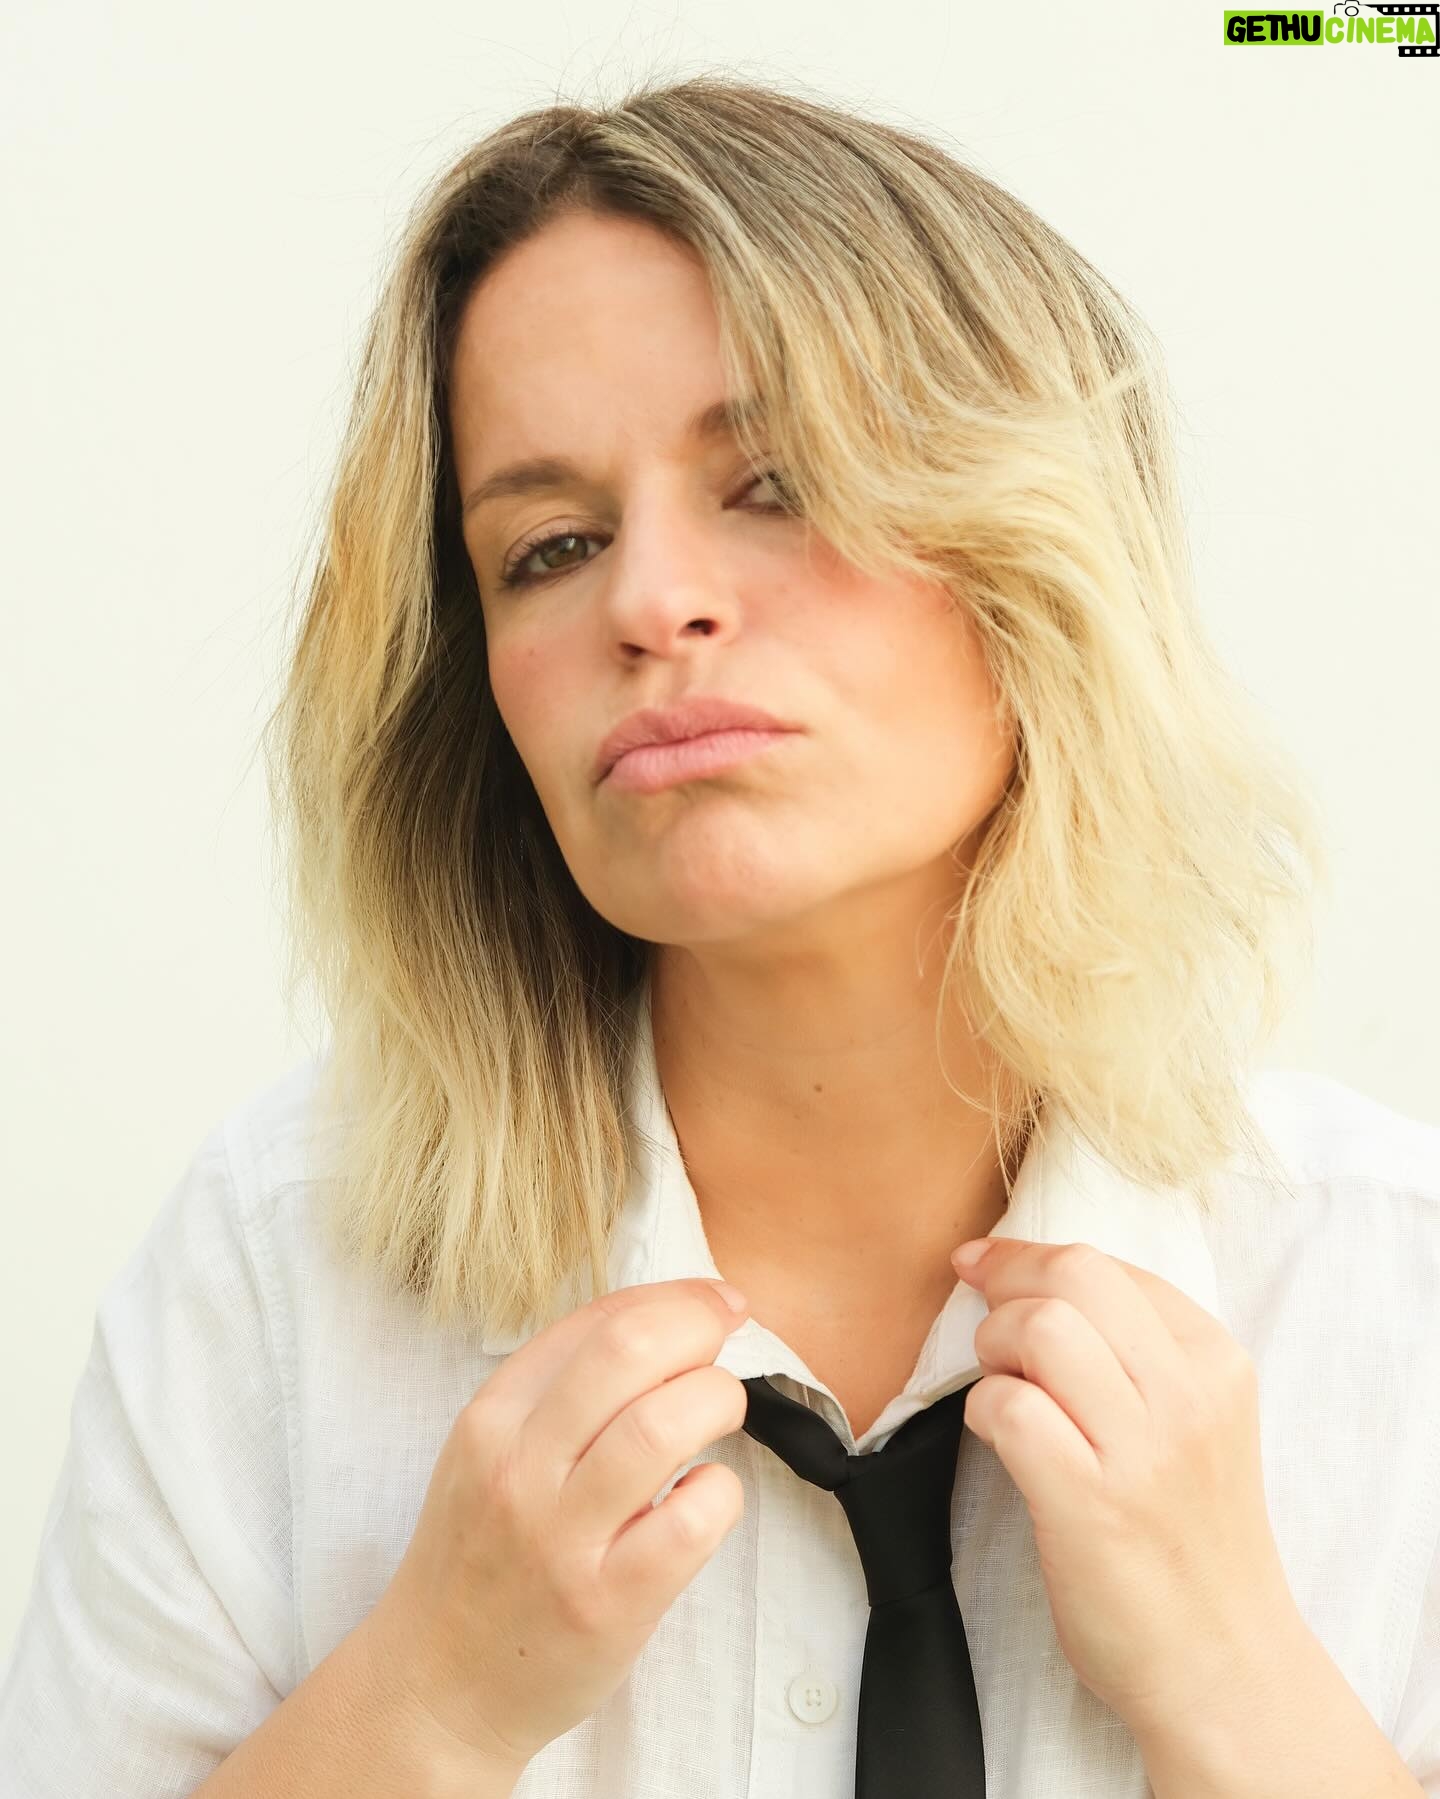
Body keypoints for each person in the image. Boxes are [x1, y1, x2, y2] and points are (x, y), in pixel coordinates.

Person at [2, 69, 1438, 1799]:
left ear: (1031, 547)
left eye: (774, 483)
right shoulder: (274, 1278)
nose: (648, 601)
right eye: (549, 547)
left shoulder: (1389, 1295)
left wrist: (1238, 1691)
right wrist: (427, 1707)